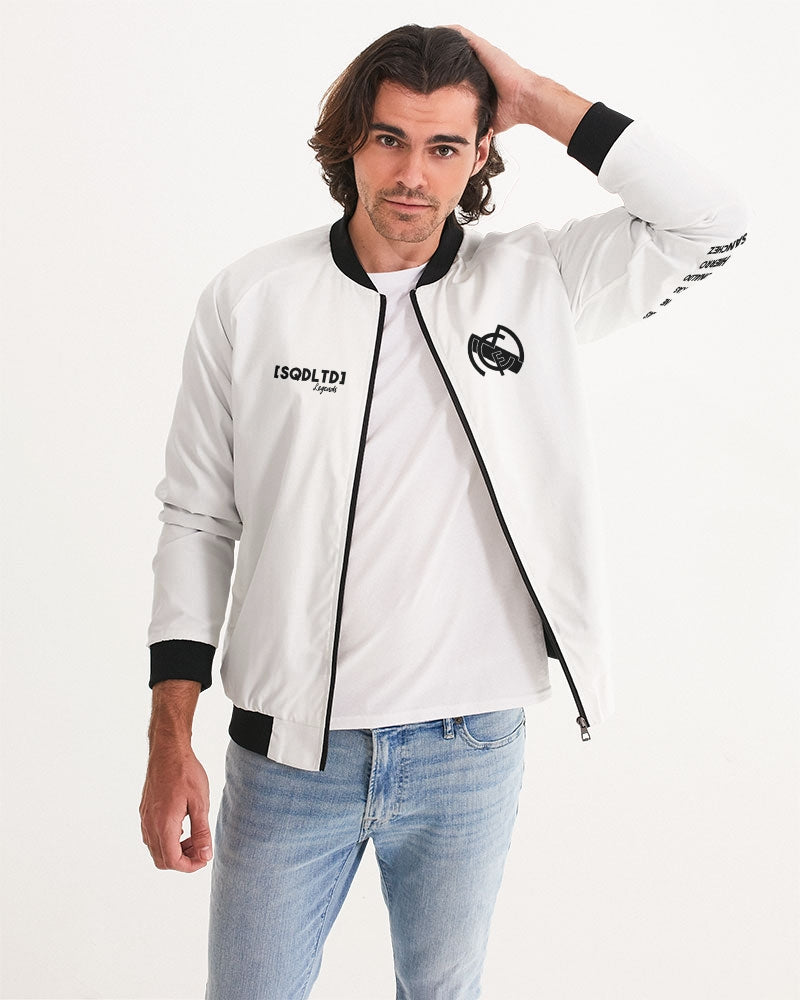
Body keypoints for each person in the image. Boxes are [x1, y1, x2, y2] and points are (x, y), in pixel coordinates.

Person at [139, 23, 749, 1000]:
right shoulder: (253, 298)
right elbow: (197, 519)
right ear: (350, 139)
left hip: (468, 750)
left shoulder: (537, 283)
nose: (413, 175)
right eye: (389, 139)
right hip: (287, 752)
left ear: (479, 154)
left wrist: (536, 96)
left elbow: (710, 222)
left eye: (444, 146)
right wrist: (170, 736)